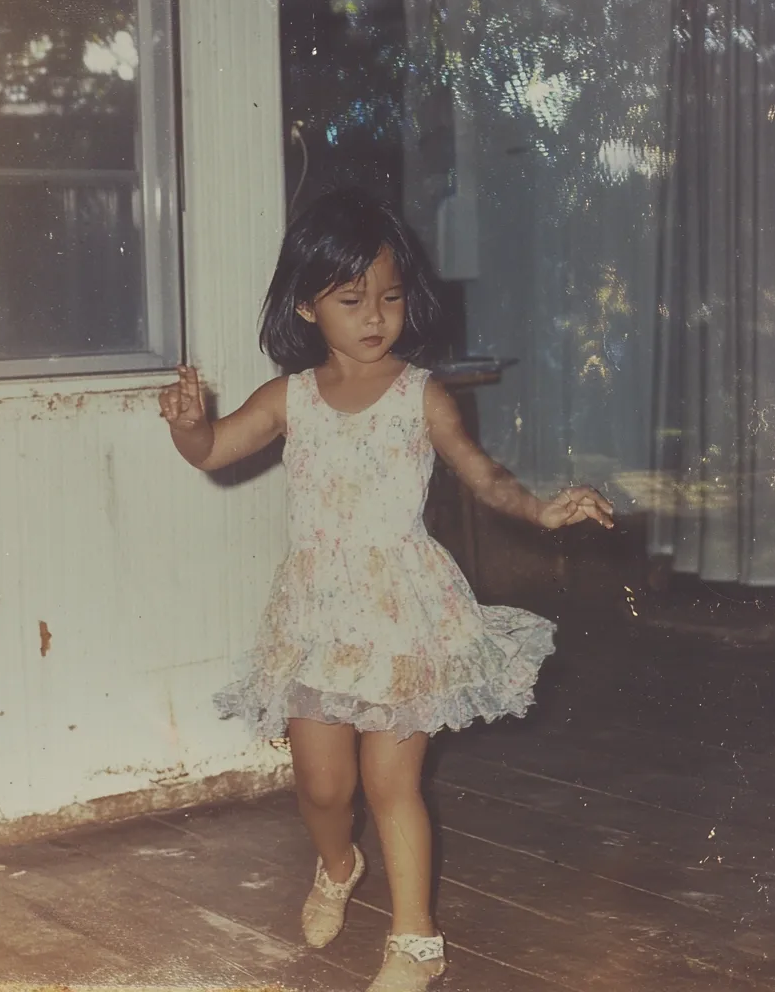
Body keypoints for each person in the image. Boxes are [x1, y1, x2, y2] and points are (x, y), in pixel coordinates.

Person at [159, 189, 614, 992]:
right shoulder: (289, 399)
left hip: (405, 612)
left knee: (390, 782)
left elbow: (484, 476)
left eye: (391, 297)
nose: (375, 316)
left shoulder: (422, 396)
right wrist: (188, 424)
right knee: (322, 788)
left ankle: (415, 940)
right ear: (307, 305)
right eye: (351, 299)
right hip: (317, 616)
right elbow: (213, 451)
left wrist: (542, 510)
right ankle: (338, 864)